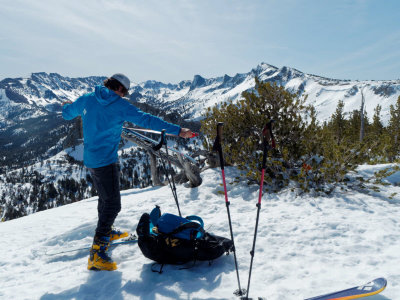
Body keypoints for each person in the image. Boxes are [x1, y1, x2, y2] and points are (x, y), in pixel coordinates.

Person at [62, 73, 193, 271]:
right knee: (113, 204)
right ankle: (97, 252)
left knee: (105, 199)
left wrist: (67, 105)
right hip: (106, 161)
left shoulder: (87, 98)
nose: (124, 96)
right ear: (120, 90)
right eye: (125, 93)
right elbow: (147, 120)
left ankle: (107, 231)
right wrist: (178, 130)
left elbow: (67, 113)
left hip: (90, 160)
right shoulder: (120, 105)